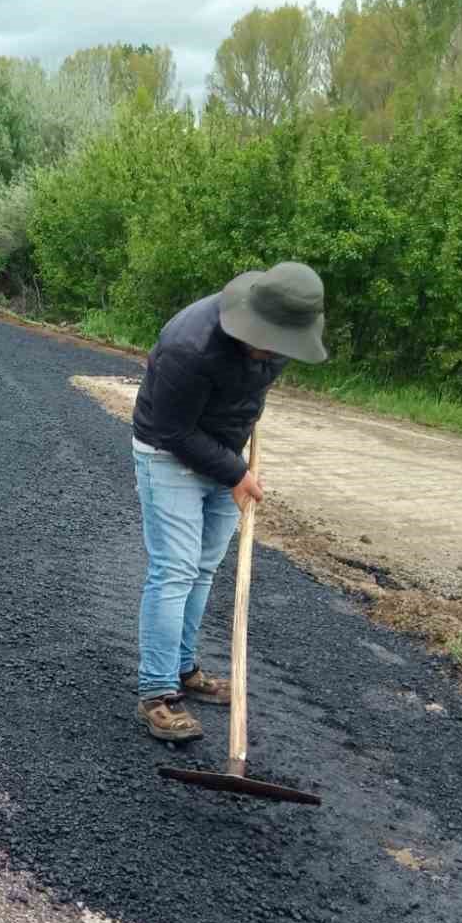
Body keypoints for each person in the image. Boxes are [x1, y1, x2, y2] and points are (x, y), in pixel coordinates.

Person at [131, 262, 327, 741]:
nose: (274, 354)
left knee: (202, 569)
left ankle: (183, 669)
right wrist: (237, 472)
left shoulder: (280, 340)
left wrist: (234, 458)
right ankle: (157, 693)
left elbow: (249, 395)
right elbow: (174, 430)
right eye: (267, 341)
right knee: (174, 570)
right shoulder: (188, 346)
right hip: (167, 454)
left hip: (224, 455)